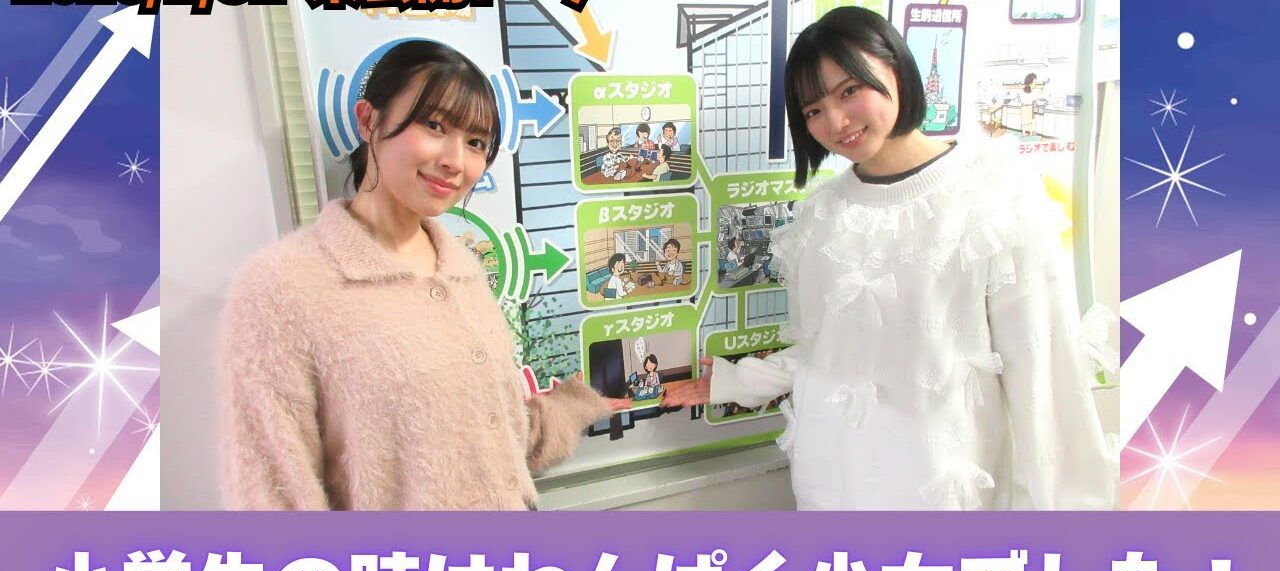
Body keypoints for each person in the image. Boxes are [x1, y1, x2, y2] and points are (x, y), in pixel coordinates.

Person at [664, 7, 1114, 510]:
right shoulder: (820, 216)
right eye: (813, 110)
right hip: (830, 490)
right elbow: (824, 353)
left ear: (896, 68)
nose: (836, 122)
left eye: (849, 91)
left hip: (943, 501)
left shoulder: (995, 197)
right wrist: (737, 381)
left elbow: (1046, 378)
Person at [218, 40, 629, 511]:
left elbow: (494, 435)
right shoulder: (280, 289)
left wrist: (584, 400)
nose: (455, 160)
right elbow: (272, 497)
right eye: (434, 125)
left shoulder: (461, 269)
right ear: (369, 120)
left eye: (476, 143)